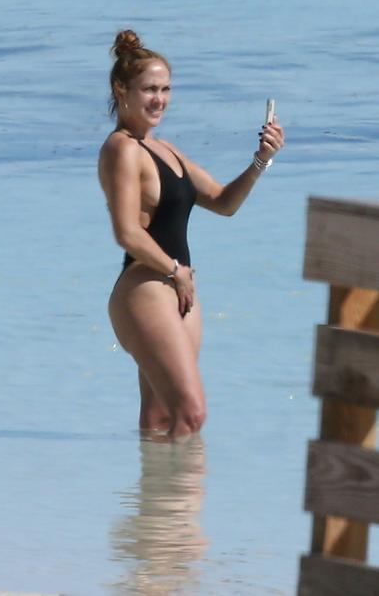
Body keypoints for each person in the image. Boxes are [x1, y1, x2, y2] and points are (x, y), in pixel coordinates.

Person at [98, 29, 284, 439]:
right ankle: (184, 485)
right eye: (149, 89)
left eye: (165, 89)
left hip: (179, 289)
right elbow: (126, 232)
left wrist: (261, 160)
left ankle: (153, 484)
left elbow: (223, 202)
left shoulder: (166, 149)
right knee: (191, 413)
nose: (159, 99)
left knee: (161, 418)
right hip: (146, 288)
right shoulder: (121, 149)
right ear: (122, 90)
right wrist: (174, 271)